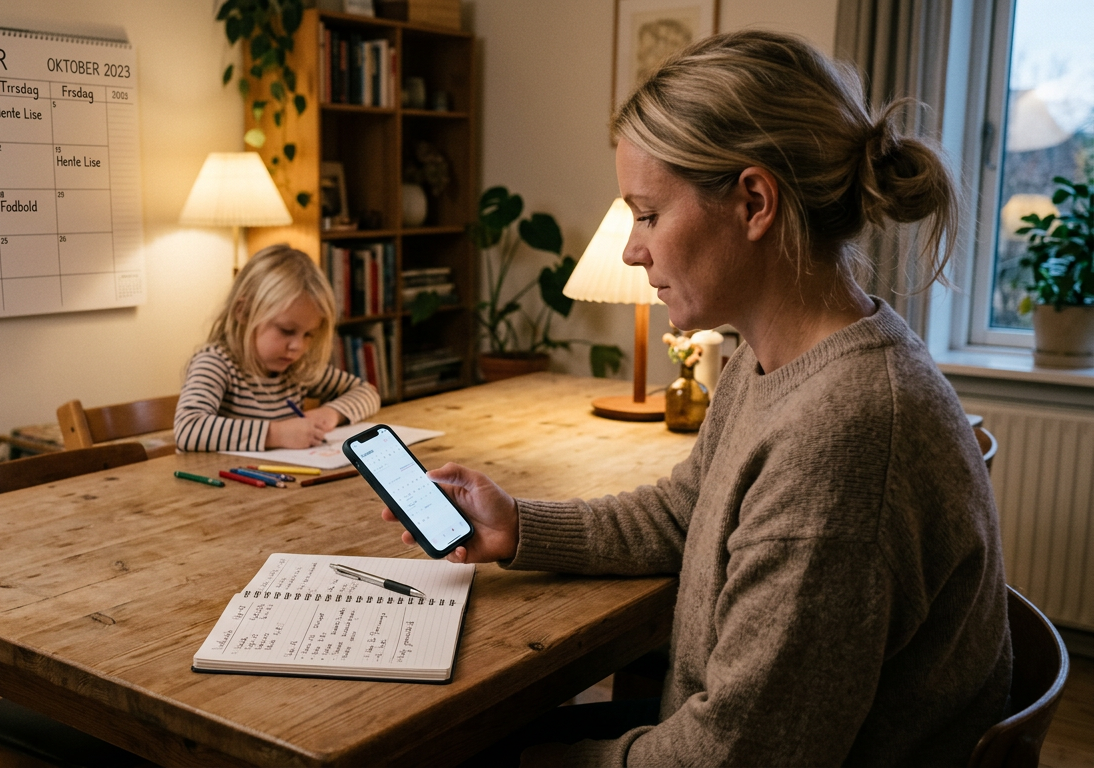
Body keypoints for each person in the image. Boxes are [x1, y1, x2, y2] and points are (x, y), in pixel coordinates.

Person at [386, 30, 1011, 767]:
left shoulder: (846, 433)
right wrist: (519, 526)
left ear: (753, 201)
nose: (630, 248)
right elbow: (686, 513)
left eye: (647, 214)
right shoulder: (771, 359)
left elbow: (740, 755)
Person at [174, 245, 379, 451]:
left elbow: (367, 393)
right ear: (244, 312)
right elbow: (188, 429)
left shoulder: (299, 369)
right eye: (286, 330)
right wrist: (275, 434)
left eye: (308, 334)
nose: (297, 346)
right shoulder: (216, 363)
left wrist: (330, 413)